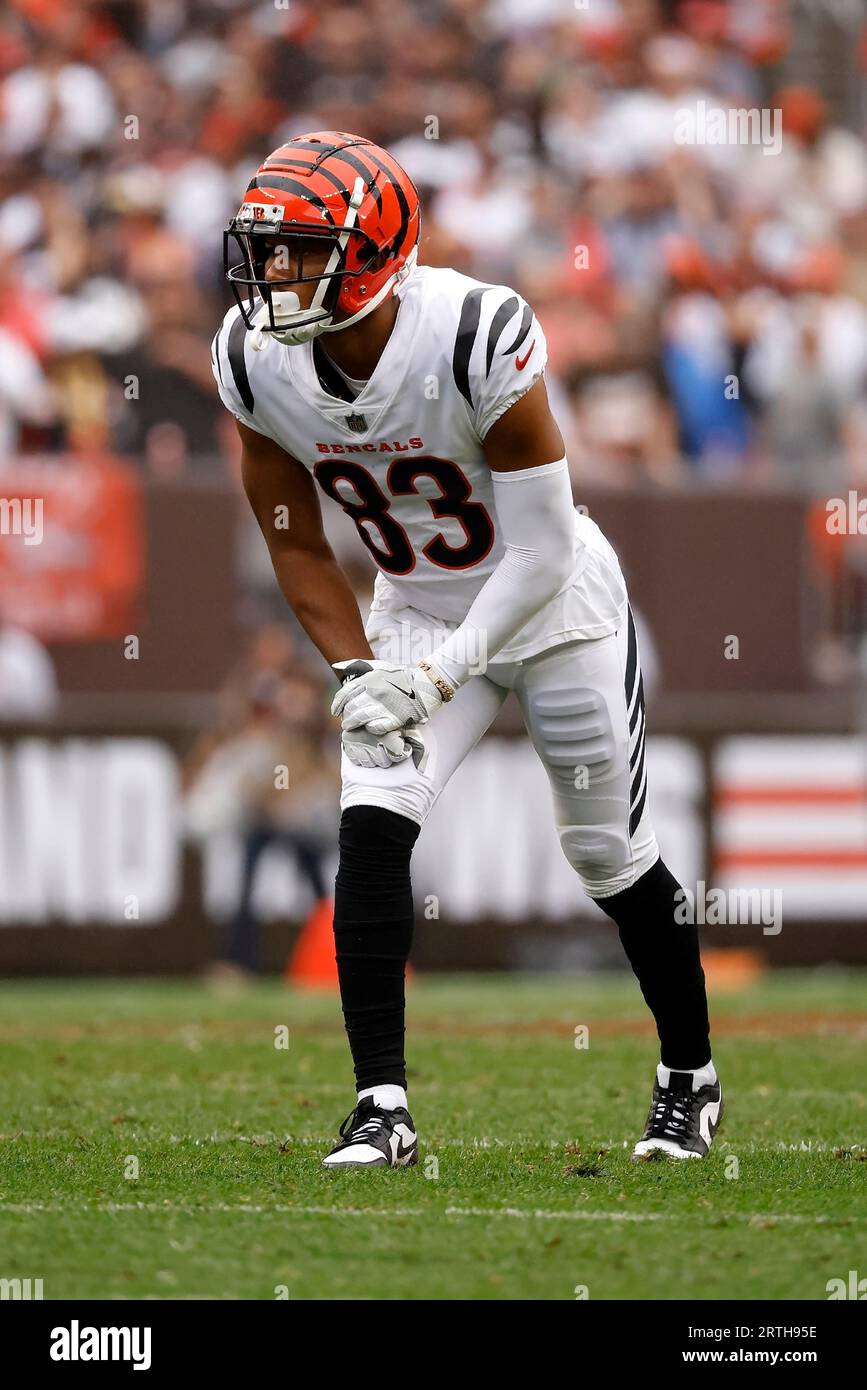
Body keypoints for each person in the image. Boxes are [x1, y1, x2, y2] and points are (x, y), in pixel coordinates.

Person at [211, 131, 721, 1167]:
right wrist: (358, 671)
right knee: (373, 822)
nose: (273, 274)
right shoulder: (253, 360)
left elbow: (540, 543)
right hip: (419, 604)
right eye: (266, 249)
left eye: (301, 249)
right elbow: (296, 538)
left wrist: (438, 677)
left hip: (555, 603)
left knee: (608, 857)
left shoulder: (475, 330)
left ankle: (689, 1078)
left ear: (377, 250)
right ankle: (381, 1107)